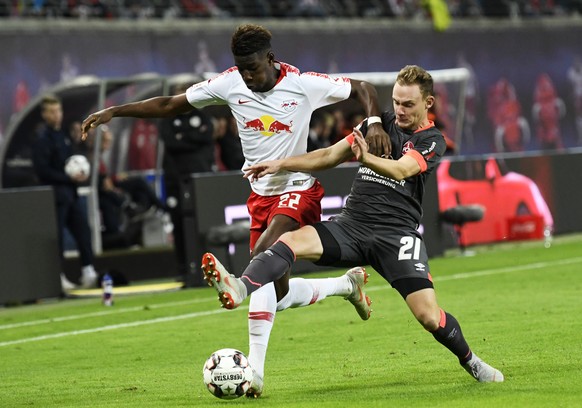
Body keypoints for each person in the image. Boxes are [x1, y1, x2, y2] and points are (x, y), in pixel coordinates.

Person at [81, 23, 390, 397]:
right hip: (259, 197)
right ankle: (345, 285)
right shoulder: (230, 83)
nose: (248, 76)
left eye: (254, 68)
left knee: (261, 259)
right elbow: (168, 104)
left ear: (271, 59)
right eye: (242, 68)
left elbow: (364, 88)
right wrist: (115, 111)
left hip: (298, 188)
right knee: (275, 291)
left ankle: (254, 371)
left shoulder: (303, 84)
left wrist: (373, 121)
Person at [204, 65, 505, 385]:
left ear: (427, 103)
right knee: (290, 241)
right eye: (396, 102)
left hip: (396, 236)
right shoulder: (378, 124)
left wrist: (367, 158)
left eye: (408, 105)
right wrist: (280, 163)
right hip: (352, 224)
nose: (399, 111)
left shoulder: (432, 140)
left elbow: (403, 170)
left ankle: (470, 360)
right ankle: (240, 286)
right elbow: (328, 155)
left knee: (428, 317)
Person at [32, 95, 99, 290]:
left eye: (58, 111)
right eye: (52, 112)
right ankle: (57, 275)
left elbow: (72, 161)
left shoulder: (64, 135)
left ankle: (88, 271)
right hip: (55, 195)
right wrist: (67, 177)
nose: (57, 115)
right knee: (57, 237)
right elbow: (42, 170)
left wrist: (79, 174)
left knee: (83, 231)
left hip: (71, 193)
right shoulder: (42, 139)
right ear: (44, 114)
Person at [158, 82, 216, 278]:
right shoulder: (167, 120)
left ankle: (209, 265)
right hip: (176, 180)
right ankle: (183, 267)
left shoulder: (202, 116)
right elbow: (172, 143)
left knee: (205, 222)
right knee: (179, 222)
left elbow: (207, 136)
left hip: (200, 180)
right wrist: (194, 138)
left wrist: (184, 137)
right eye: (177, 96)